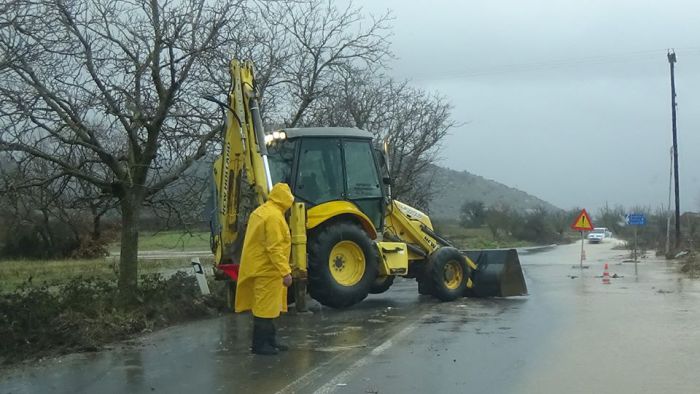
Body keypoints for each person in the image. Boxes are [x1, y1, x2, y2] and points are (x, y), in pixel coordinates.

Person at [235, 183, 294, 355]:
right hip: (267, 269)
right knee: (264, 309)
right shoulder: (274, 217)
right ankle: (260, 345)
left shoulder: (262, 211)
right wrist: (285, 271)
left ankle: (270, 341)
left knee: (268, 307)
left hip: (260, 267)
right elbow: (274, 247)